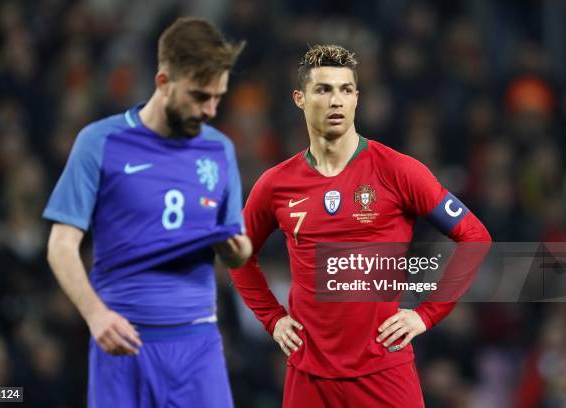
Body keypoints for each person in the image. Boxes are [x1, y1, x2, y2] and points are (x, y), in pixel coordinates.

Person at [228, 44, 491, 407]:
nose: (336, 100)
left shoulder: (398, 171)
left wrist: (426, 315)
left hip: (383, 373)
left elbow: (475, 236)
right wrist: (273, 319)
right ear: (299, 98)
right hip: (309, 377)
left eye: (345, 89)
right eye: (323, 89)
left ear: (356, 98)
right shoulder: (275, 184)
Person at [44, 17, 251, 408]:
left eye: (218, 97)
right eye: (199, 96)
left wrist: (236, 249)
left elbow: (238, 249)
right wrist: (95, 315)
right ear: (163, 83)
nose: (210, 109)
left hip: (197, 345)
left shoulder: (219, 150)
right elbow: (60, 246)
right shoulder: (99, 142)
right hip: (123, 343)